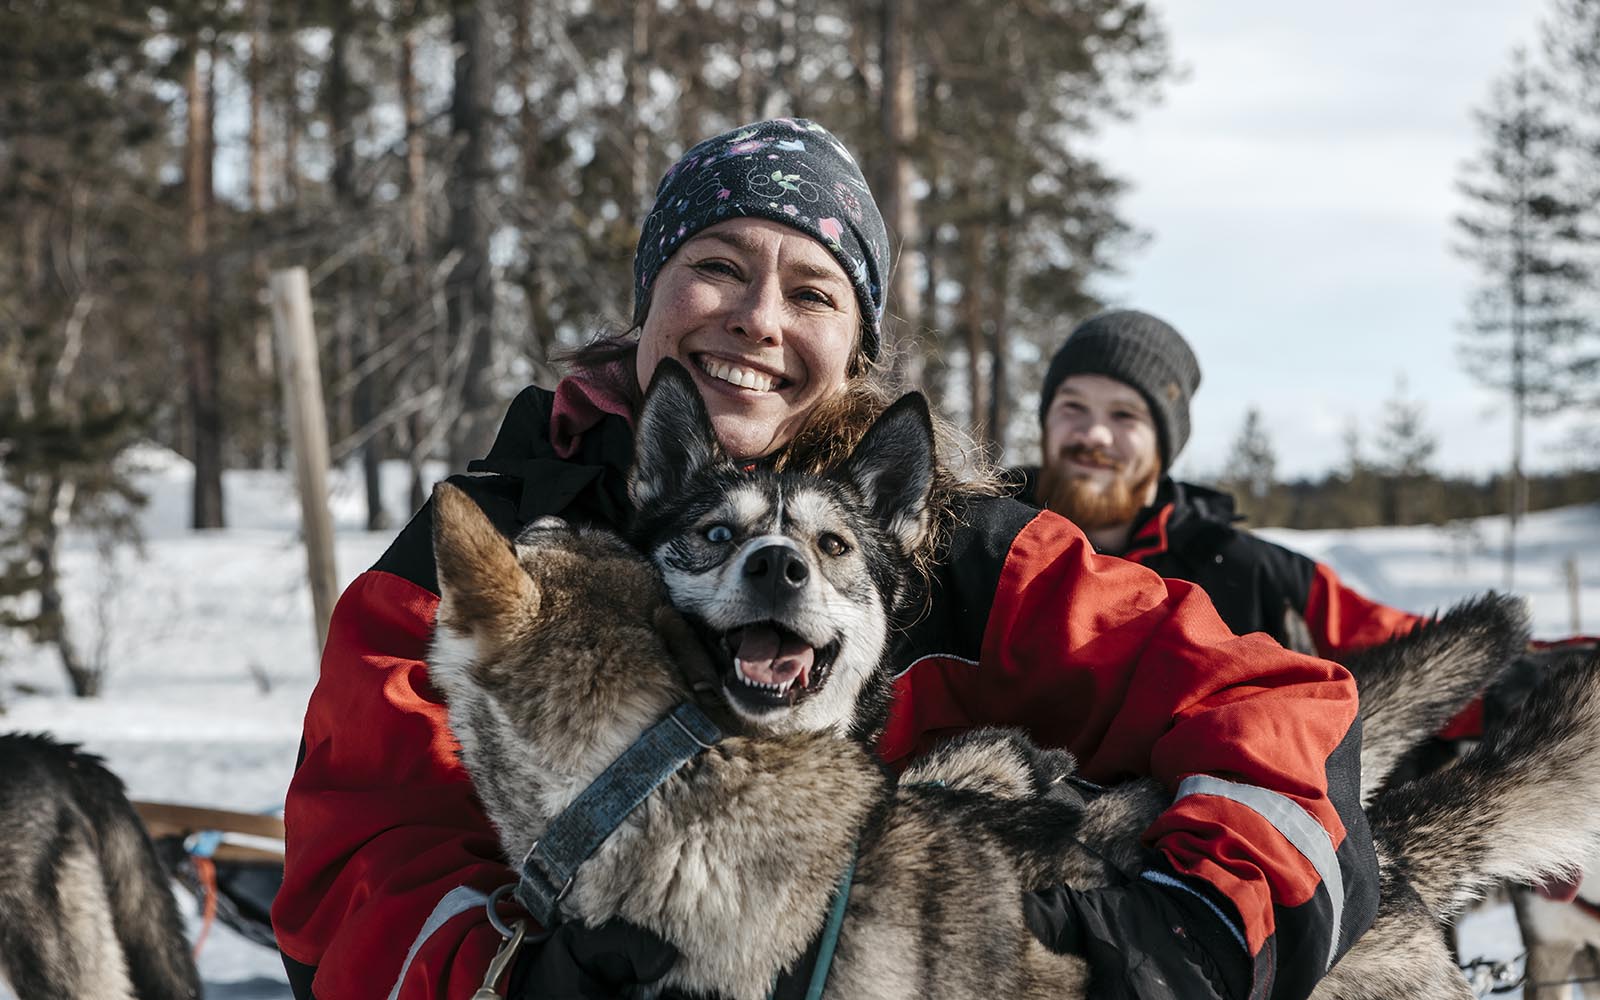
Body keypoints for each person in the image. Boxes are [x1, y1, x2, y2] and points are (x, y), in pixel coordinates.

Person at [271, 119, 1379, 1000]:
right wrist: (524, 981)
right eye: (716, 265)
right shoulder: (495, 551)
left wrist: (1184, 934)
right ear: (647, 296)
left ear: (854, 349)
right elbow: (356, 876)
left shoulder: (958, 543)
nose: (757, 318)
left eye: (810, 292)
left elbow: (1276, 711)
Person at [1011, 309, 1429, 663]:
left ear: (1164, 444)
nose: (1095, 435)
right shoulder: (978, 540)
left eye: (1125, 415)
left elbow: (1417, 657)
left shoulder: (1247, 572)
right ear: (1046, 419)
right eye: (1073, 406)